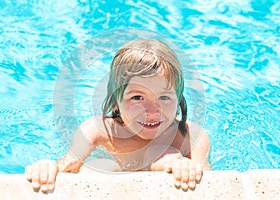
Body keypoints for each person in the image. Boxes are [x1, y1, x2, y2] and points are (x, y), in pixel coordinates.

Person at [25, 39, 211, 192]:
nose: (153, 111)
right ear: (115, 102)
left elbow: (210, 184)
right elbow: (68, 166)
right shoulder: (98, 130)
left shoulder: (190, 136)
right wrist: (49, 168)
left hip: (165, 176)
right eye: (137, 97)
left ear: (179, 100)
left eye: (164, 97)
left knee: (168, 156)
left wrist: (187, 168)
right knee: (104, 166)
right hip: (106, 181)